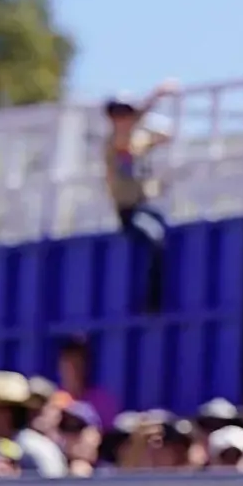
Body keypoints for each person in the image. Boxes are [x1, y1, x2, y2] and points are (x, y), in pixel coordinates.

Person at [104, 82, 177, 313]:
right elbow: (125, 138)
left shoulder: (138, 141)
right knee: (155, 237)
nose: (123, 118)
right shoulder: (113, 142)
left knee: (166, 226)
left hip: (144, 206)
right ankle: (152, 302)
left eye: (126, 112)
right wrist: (155, 96)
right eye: (117, 113)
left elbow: (166, 135)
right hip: (128, 211)